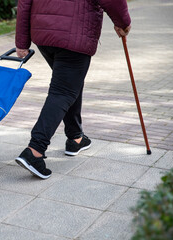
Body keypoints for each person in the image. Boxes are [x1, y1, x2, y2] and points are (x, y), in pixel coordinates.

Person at [14, 0, 131, 179]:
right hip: (75, 35)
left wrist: (22, 41)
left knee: (70, 84)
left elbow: (24, 2)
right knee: (63, 92)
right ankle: (35, 151)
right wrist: (123, 23)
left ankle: (75, 138)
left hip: (44, 34)